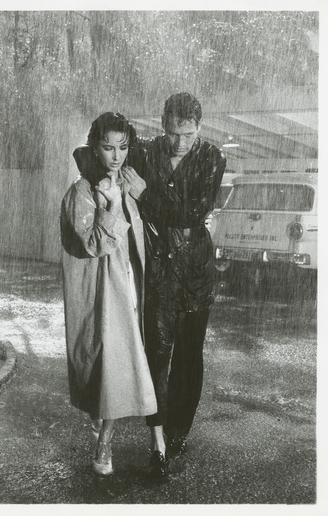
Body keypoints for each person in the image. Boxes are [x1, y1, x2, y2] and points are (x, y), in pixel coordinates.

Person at [121, 92, 227, 476]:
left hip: (197, 272)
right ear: (162, 125)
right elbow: (90, 153)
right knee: (156, 358)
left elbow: (192, 215)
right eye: (172, 133)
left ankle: (180, 431)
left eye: (188, 133)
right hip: (159, 272)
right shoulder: (145, 151)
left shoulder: (212, 158)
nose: (180, 143)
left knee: (188, 358)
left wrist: (144, 194)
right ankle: (159, 439)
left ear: (199, 127)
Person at [60, 112, 157, 477]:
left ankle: (106, 438)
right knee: (102, 363)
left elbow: (144, 235)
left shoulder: (128, 183)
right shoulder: (81, 192)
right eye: (107, 147)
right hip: (101, 293)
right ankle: (99, 421)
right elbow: (94, 244)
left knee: (121, 365)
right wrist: (113, 204)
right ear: (94, 148)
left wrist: (137, 195)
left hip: (131, 286)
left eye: (123, 147)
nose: (116, 156)